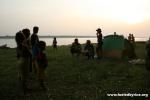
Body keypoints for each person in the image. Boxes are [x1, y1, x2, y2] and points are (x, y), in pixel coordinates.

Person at [15, 29, 31, 93]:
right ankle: (25, 89)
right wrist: (28, 47)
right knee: (24, 76)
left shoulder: (18, 46)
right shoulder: (24, 46)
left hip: (20, 61)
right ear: (23, 37)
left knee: (21, 74)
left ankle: (23, 87)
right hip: (25, 61)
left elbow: (18, 55)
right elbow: (29, 54)